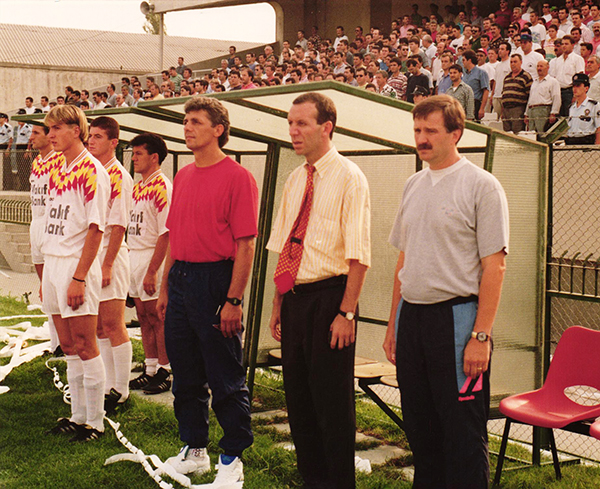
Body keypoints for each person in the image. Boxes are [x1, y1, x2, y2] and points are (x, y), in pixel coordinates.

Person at [383, 95, 509, 489]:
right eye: (417, 130)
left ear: (456, 134)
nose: (421, 138)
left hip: (456, 321)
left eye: (431, 131)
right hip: (412, 319)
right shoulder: (413, 184)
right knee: (419, 426)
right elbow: (404, 260)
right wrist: (393, 325)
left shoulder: (481, 186)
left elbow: (495, 267)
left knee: (462, 431)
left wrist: (481, 337)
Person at [267, 92, 371, 489]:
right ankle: (312, 479)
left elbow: (359, 255)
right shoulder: (296, 179)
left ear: (326, 127)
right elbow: (286, 244)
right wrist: (278, 303)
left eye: (302, 123)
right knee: (298, 397)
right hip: (295, 298)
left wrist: (346, 313)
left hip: (331, 299)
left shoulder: (349, 177)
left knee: (331, 401)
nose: (293, 131)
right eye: (290, 123)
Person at [156, 97, 257, 485]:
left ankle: (232, 460)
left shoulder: (237, 177)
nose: (187, 127)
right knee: (184, 373)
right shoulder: (183, 176)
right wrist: (166, 287)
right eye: (185, 120)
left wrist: (233, 300)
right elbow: (175, 236)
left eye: (196, 121)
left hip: (216, 281)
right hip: (181, 278)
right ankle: (194, 449)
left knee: (225, 376)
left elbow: (245, 244)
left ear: (219, 129)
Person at [43, 105, 111, 442]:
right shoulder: (58, 168)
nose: (51, 135)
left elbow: (96, 229)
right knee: (68, 345)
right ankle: (77, 415)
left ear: (76, 129)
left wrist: (79, 277)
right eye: (49, 129)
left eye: (56, 128)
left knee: (85, 343)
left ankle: (95, 422)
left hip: (75, 265)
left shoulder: (92, 170)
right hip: (54, 262)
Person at [87, 117, 134, 415]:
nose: (91, 141)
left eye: (98, 137)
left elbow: (118, 225)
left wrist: (107, 265)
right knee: (98, 327)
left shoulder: (119, 176)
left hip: (111, 256)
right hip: (94, 256)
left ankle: (122, 389)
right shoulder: (94, 171)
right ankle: (107, 386)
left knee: (113, 324)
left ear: (114, 142)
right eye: (90, 136)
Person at [127, 133, 172, 395]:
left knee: (157, 317)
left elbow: (166, 233)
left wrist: (153, 270)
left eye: (138, 154)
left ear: (154, 157)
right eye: (133, 154)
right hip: (134, 255)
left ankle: (166, 369)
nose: (134, 158)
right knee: (142, 316)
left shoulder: (162, 186)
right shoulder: (137, 187)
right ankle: (150, 367)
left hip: (152, 257)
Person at [28, 123, 60, 355]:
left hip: (51, 224)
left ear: (49, 136)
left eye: (36, 133)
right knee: (45, 288)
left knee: (55, 285)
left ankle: (63, 343)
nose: (31, 137)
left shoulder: (59, 161)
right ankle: (54, 341)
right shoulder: (36, 162)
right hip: (36, 223)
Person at [525, 60, 561, 133]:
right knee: (531, 135)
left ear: (547, 67)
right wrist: (526, 113)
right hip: (531, 111)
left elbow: (556, 98)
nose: (539, 68)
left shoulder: (553, 81)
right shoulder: (534, 82)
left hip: (543, 110)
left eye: (541, 66)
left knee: (542, 134)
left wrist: (554, 113)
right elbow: (530, 99)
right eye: (538, 66)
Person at [502, 53, 533, 133]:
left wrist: (526, 113)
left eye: (515, 62)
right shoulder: (507, 77)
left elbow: (530, 95)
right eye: (511, 62)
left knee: (517, 132)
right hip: (506, 110)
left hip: (518, 109)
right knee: (506, 134)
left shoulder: (526, 76)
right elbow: (504, 95)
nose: (513, 64)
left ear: (521, 62)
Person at [565, 73, 600, 143]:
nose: (575, 89)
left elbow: (599, 127)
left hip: (586, 141)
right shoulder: (571, 107)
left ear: (586, 88)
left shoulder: (593, 105)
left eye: (578, 86)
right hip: (571, 141)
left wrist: (597, 145)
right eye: (573, 86)